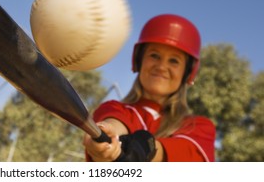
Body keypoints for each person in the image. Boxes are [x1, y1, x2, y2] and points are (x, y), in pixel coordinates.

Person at [83, 14, 216, 162]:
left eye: (174, 61)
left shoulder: (198, 127)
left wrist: (145, 149)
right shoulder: (114, 108)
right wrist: (109, 137)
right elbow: (114, 123)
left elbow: (188, 157)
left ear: (187, 73)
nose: (161, 67)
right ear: (139, 61)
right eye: (154, 55)